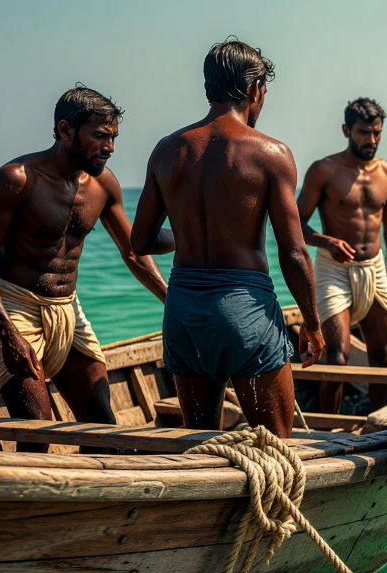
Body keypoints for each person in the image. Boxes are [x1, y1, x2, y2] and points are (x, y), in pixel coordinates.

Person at [131, 38, 324, 437]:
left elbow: (141, 241)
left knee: (200, 448)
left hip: (183, 314)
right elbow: (293, 252)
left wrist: (183, 238)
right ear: (255, 89)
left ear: (209, 88)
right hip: (243, 311)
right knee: (275, 451)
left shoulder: (167, 151)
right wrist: (312, 322)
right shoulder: (269, 152)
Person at [0, 86, 169, 445]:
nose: (110, 148)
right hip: (14, 308)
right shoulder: (18, 179)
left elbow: (135, 251)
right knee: (37, 434)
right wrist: (9, 333)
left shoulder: (104, 185)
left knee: (103, 428)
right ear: (65, 130)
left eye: (114, 137)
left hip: (68, 310)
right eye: (101, 136)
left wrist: (172, 299)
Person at [297, 98, 387, 413]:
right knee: (337, 356)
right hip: (334, 270)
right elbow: (294, 222)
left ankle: (379, 427)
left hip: (374, 269)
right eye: (363, 132)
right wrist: (326, 241)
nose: (371, 140)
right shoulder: (324, 170)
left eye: (376, 133)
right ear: (347, 130)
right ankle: (325, 432)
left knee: (384, 356)